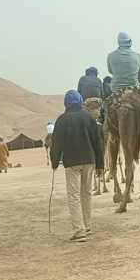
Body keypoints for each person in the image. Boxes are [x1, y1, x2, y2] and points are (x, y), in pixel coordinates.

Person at [50, 90, 104, 242]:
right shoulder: (89, 117)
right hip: (89, 161)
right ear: (80, 101)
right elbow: (98, 142)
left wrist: (54, 163)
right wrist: (100, 164)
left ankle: (79, 231)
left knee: (73, 196)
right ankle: (86, 226)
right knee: (86, 194)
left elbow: (56, 144)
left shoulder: (62, 119)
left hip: (72, 163)